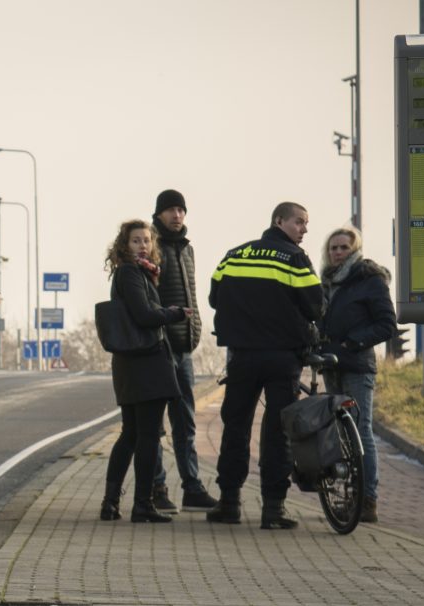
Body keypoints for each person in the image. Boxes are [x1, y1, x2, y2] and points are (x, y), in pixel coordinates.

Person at [207, 202, 324, 529]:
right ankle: (273, 509)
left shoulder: (235, 255)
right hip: (282, 357)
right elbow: (316, 306)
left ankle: (228, 504)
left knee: (235, 427)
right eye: (299, 222)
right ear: (279, 221)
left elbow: (214, 298)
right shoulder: (295, 259)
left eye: (305, 224)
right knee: (278, 432)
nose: (304, 229)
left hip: (242, 355)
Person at [101, 219, 189, 523]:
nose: (143, 245)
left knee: (132, 434)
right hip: (145, 364)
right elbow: (143, 315)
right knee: (147, 436)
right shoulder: (130, 272)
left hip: (133, 364)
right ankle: (142, 504)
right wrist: (175, 313)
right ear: (125, 245)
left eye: (147, 240)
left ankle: (111, 502)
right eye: (136, 240)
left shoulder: (140, 273)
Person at [317, 225, 397, 523]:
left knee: (361, 431)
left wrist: (353, 341)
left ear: (355, 250)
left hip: (357, 365)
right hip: (330, 364)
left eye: (343, 248)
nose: (337, 253)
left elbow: (387, 324)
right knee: (341, 435)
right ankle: (349, 497)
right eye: (333, 248)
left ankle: (368, 499)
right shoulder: (326, 282)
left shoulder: (369, 280)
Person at [147, 189, 214, 511]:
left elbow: (192, 294)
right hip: (158, 349)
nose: (177, 215)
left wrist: (196, 327)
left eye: (181, 210)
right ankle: (157, 487)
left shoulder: (187, 249)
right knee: (155, 425)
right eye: (171, 210)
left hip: (184, 348)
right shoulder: (149, 246)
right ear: (159, 213)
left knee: (185, 423)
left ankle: (192, 487)